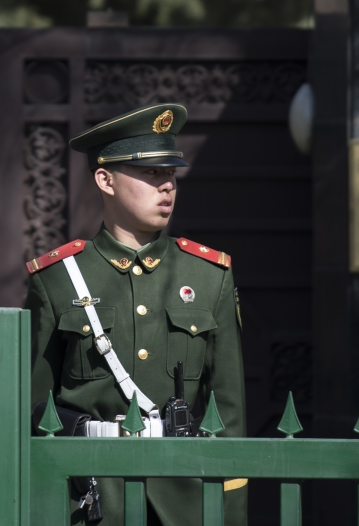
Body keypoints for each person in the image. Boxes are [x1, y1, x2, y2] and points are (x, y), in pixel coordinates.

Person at [24, 102, 248, 526]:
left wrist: (228, 511)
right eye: (150, 174)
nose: (166, 187)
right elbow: (35, 408)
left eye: (171, 174)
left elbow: (229, 413)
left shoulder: (208, 274)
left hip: (185, 499)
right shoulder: (57, 279)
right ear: (105, 179)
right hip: (91, 497)